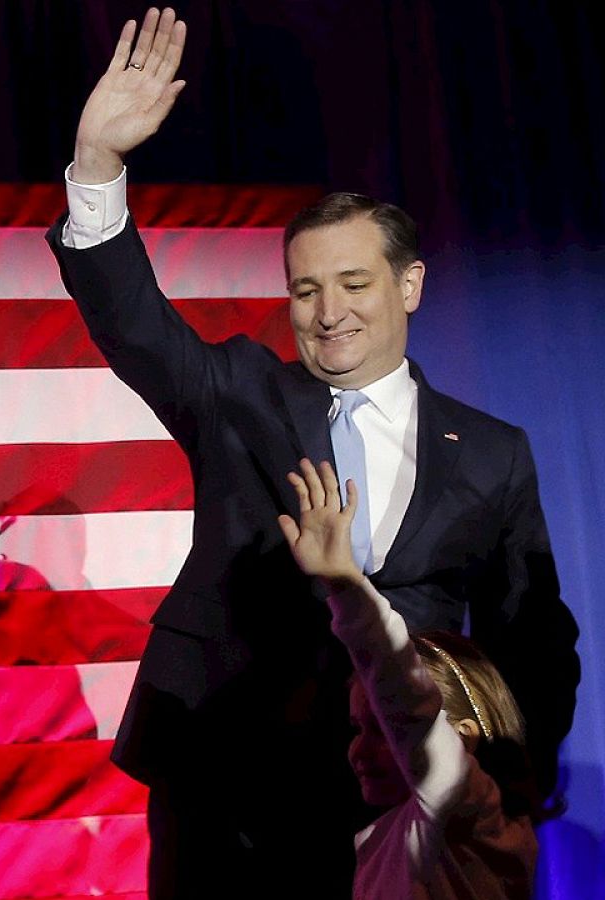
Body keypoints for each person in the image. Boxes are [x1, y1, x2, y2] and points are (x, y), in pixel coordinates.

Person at [45, 8, 579, 895]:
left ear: (409, 284)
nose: (328, 311)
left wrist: (519, 779)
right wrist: (98, 166)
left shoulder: (492, 452)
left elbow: (533, 633)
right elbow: (135, 327)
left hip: (397, 797)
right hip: (229, 785)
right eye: (305, 288)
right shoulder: (240, 392)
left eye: (354, 283)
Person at [281, 458, 541, 898]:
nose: (359, 749)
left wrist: (346, 585)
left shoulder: (470, 816)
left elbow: (401, 690)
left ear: (462, 740)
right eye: (358, 728)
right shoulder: (387, 833)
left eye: (384, 729)